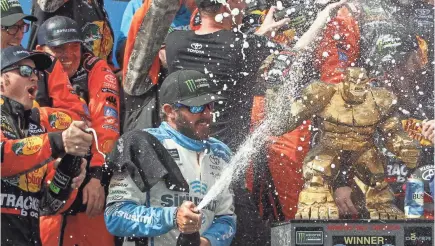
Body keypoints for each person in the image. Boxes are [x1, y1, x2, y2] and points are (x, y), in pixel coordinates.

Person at [105, 70, 235, 246]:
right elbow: (115, 215)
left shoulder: (221, 153)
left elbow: (226, 219)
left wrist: (207, 241)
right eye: (196, 107)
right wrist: (172, 217)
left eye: (209, 105)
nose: (206, 114)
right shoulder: (141, 144)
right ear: (169, 111)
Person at [35, 16, 120, 246]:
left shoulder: (96, 69)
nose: (68, 55)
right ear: (39, 49)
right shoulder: (25, 70)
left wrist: (97, 177)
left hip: (88, 180)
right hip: (39, 181)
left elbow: (107, 127)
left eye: (74, 47)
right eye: (58, 48)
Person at [1, 46, 90, 245]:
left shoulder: (37, 127)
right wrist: (57, 142)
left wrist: (66, 175)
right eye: (24, 71)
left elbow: (49, 206)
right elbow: (3, 157)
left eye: (36, 73)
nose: (34, 78)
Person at [28, 0, 116, 69]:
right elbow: (47, 5)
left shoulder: (97, 4)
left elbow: (103, 56)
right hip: (55, 84)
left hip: (93, 83)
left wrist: (114, 74)